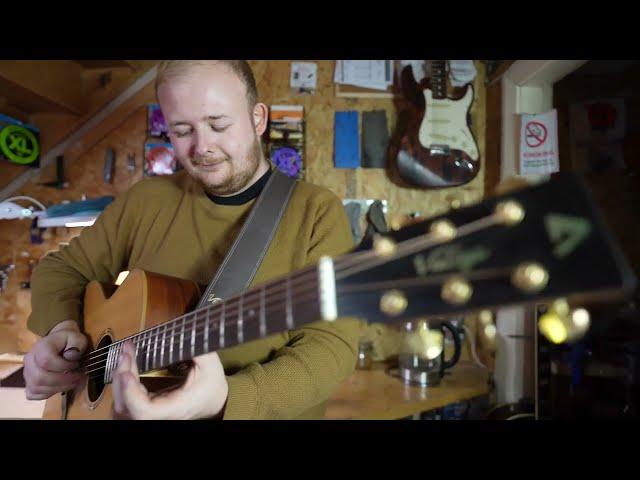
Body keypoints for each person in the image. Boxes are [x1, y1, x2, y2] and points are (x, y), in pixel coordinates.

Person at [23, 60, 360, 420]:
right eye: (182, 130)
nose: (202, 146)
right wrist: (62, 331)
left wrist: (228, 398)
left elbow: (330, 348)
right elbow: (61, 269)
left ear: (258, 119)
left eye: (219, 124)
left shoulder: (316, 212)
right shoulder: (146, 200)